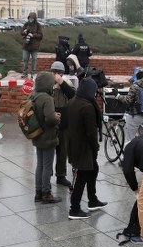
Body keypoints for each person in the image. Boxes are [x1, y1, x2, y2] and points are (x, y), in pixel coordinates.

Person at [66, 77, 107, 218]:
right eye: (94, 91)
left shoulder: (73, 101)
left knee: (93, 169)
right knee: (82, 176)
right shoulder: (88, 107)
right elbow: (91, 133)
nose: (95, 94)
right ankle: (74, 208)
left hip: (74, 144)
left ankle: (93, 200)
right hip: (84, 147)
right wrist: (95, 147)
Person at [30, 71, 61, 204]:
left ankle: (38, 193)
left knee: (40, 164)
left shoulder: (33, 95)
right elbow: (50, 118)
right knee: (47, 165)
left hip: (36, 133)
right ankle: (46, 193)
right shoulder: (47, 98)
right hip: (47, 135)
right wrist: (57, 117)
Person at [49, 61, 75, 186]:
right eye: (55, 72)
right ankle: (47, 175)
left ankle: (61, 175)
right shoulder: (46, 83)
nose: (57, 75)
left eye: (60, 73)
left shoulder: (67, 83)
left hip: (64, 122)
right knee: (48, 150)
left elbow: (72, 96)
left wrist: (62, 83)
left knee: (62, 150)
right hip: (49, 121)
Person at [121, 69, 143, 144]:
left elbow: (128, 100)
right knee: (141, 140)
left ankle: (129, 155)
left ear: (137, 76)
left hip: (135, 116)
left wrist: (118, 97)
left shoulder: (135, 86)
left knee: (129, 140)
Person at [21, 12, 43, 77]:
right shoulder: (26, 24)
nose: (30, 19)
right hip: (26, 45)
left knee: (34, 59)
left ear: (34, 18)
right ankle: (25, 73)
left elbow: (41, 35)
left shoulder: (38, 25)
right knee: (25, 59)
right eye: (30, 18)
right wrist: (24, 32)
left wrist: (33, 35)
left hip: (34, 46)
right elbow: (21, 32)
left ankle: (33, 73)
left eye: (32, 18)